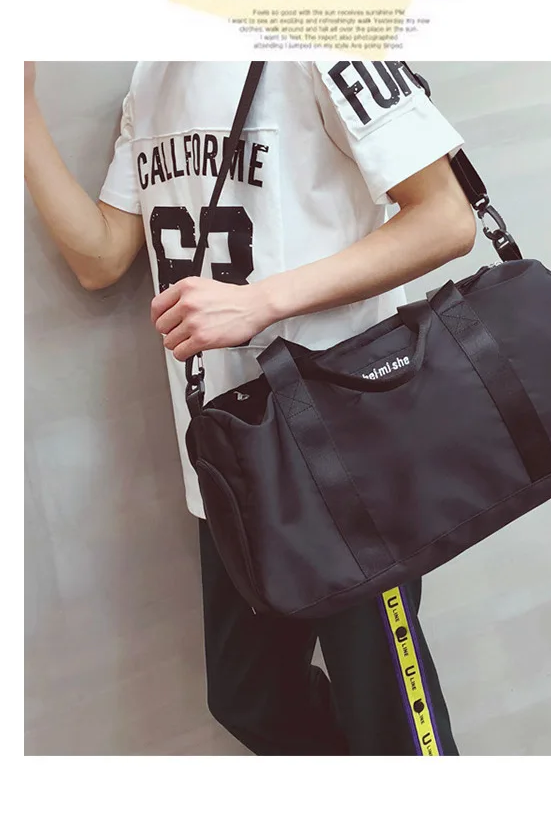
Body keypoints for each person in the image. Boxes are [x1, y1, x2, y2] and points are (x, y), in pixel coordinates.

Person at [24, 60, 477, 756]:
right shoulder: (151, 77)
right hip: (229, 460)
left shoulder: (319, 38)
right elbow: (103, 257)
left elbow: (446, 218)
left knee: (392, 724)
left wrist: (261, 302)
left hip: (341, 456)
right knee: (248, 695)